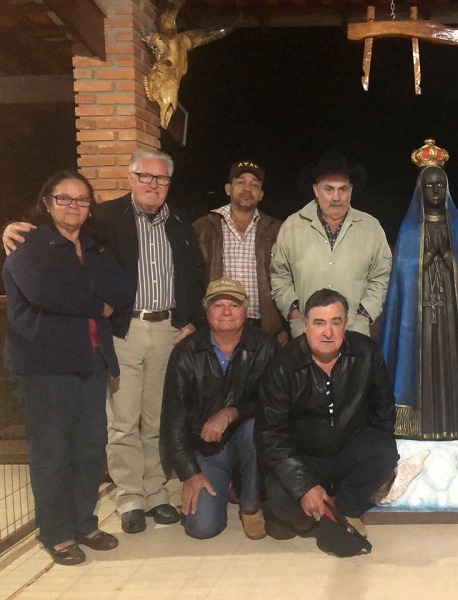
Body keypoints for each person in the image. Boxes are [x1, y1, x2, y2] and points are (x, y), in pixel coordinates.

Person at [3, 149, 206, 534]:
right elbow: (53, 238)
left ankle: (155, 490)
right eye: (145, 176)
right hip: (123, 331)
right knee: (124, 419)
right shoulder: (106, 218)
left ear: (168, 185)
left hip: (167, 331)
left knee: (157, 418)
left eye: (161, 179)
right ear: (131, 178)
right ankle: (130, 496)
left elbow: (196, 272)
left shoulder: (179, 223)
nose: (152, 184)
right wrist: (11, 228)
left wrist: (191, 321)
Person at [3, 172, 135, 565]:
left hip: (91, 363)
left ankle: (84, 522)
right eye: (65, 199)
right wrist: (96, 304)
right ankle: (56, 533)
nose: (73, 206)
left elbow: (122, 291)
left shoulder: (95, 248)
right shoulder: (28, 245)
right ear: (47, 203)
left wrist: (85, 295)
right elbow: (45, 292)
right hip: (45, 367)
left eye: (81, 200)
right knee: (52, 452)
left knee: (88, 448)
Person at [255, 288, 398, 546]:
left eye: (336, 322)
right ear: (305, 325)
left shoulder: (366, 353)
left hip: (347, 451)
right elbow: (272, 438)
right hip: (304, 457)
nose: (328, 333)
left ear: (346, 324)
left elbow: (383, 415)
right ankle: (314, 502)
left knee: (384, 450)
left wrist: (373, 463)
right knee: (279, 501)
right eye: (319, 323)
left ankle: (343, 510)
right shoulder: (282, 365)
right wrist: (304, 487)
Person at [380, 164, 458, 439]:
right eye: (429, 185)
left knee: (453, 365)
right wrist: (426, 259)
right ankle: (416, 422)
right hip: (418, 318)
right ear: (420, 190)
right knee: (420, 366)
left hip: (453, 317)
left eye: (440, 185)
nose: (435, 190)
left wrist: (448, 258)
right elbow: (404, 273)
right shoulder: (410, 229)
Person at [160, 277, 278, 540]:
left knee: (254, 428)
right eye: (218, 305)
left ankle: (250, 505)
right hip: (206, 447)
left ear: (246, 311)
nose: (226, 312)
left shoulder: (265, 346)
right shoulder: (186, 352)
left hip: (249, 442)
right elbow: (173, 419)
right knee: (201, 528)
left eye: (234, 305)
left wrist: (230, 413)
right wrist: (189, 473)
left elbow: (272, 404)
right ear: (206, 310)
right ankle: (224, 485)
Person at [269, 151, 392, 338]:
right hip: (306, 334)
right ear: (316, 190)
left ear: (351, 190)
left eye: (343, 189)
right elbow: (280, 277)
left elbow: (381, 278)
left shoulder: (371, 228)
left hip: (354, 335)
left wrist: (363, 317)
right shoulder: (292, 226)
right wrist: (295, 316)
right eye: (329, 189)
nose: (336, 197)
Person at [193, 160, 289, 345]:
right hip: (218, 326)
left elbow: (287, 277)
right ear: (228, 189)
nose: (247, 188)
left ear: (261, 194)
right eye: (241, 182)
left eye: (254, 185)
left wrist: (284, 327)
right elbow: (191, 278)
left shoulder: (277, 229)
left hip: (265, 329)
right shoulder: (204, 227)